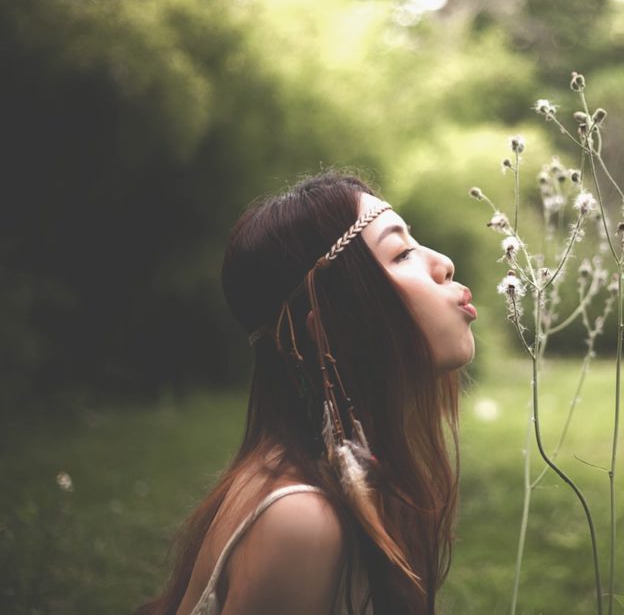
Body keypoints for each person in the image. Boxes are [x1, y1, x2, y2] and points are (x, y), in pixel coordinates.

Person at [136, 170, 477, 615]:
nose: (443, 263)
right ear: (335, 326)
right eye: (402, 252)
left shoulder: (342, 481)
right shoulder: (299, 521)